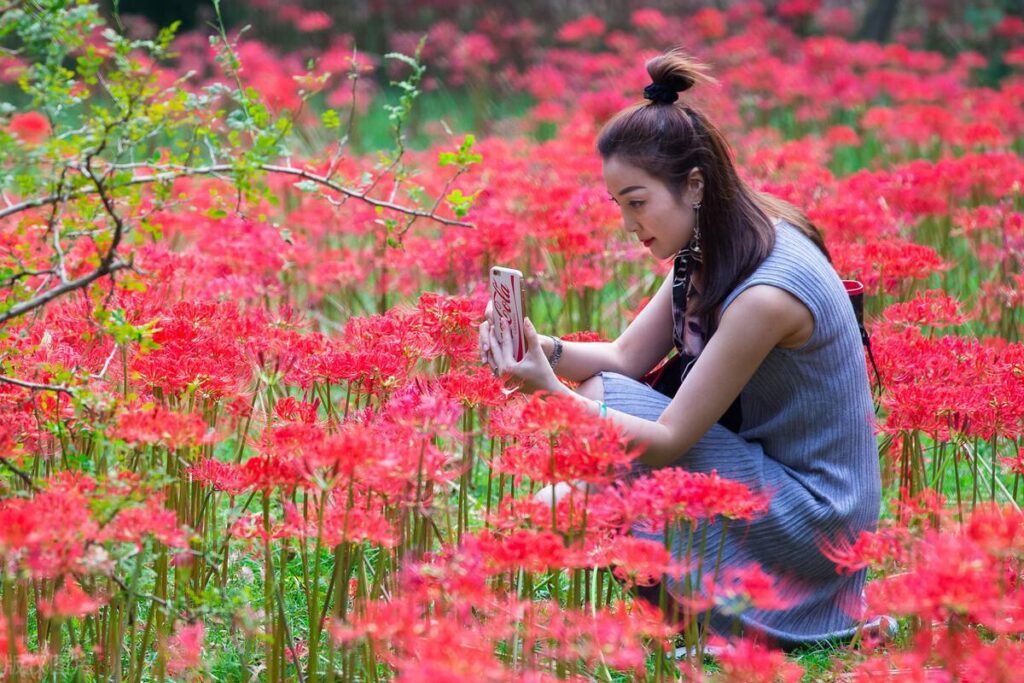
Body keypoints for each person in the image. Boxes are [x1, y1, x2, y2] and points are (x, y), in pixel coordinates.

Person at [478, 49, 882, 650]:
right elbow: (621, 359)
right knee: (583, 462)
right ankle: (665, 608)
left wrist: (551, 393)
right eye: (619, 205)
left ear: (693, 184)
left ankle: (731, 620)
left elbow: (669, 439)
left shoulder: (765, 292)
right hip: (769, 473)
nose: (628, 223)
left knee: (585, 481)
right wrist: (545, 349)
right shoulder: (720, 239)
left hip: (818, 518)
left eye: (637, 202)